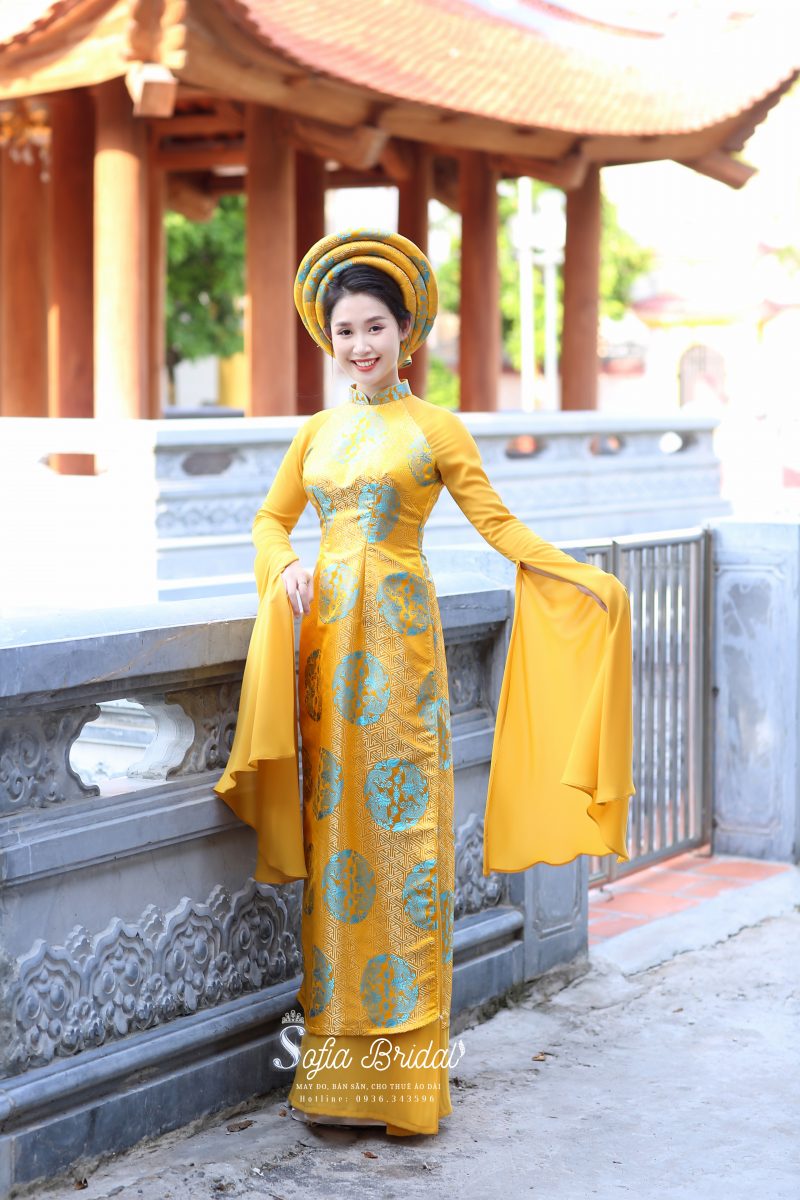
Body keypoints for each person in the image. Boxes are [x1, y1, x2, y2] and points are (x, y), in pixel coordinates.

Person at [213, 229, 636, 1137]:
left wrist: (581, 580)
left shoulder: (436, 428)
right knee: (338, 855)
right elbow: (268, 520)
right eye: (344, 330)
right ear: (329, 339)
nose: (360, 344)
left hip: (403, 661)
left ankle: (405, 1090)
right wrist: (283, 566)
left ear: (406, 331)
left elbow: (498, 525)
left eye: (375, 326)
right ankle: (336, 1082)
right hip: (326, 661)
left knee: (405, 852)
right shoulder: (317, 432)